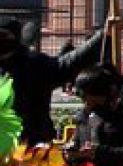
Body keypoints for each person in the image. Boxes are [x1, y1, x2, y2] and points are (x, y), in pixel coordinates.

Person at [0, 16, 112, 145]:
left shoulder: (34, 64)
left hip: (31, 145)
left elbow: (70, 63)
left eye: (3, 35)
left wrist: (103, 36)